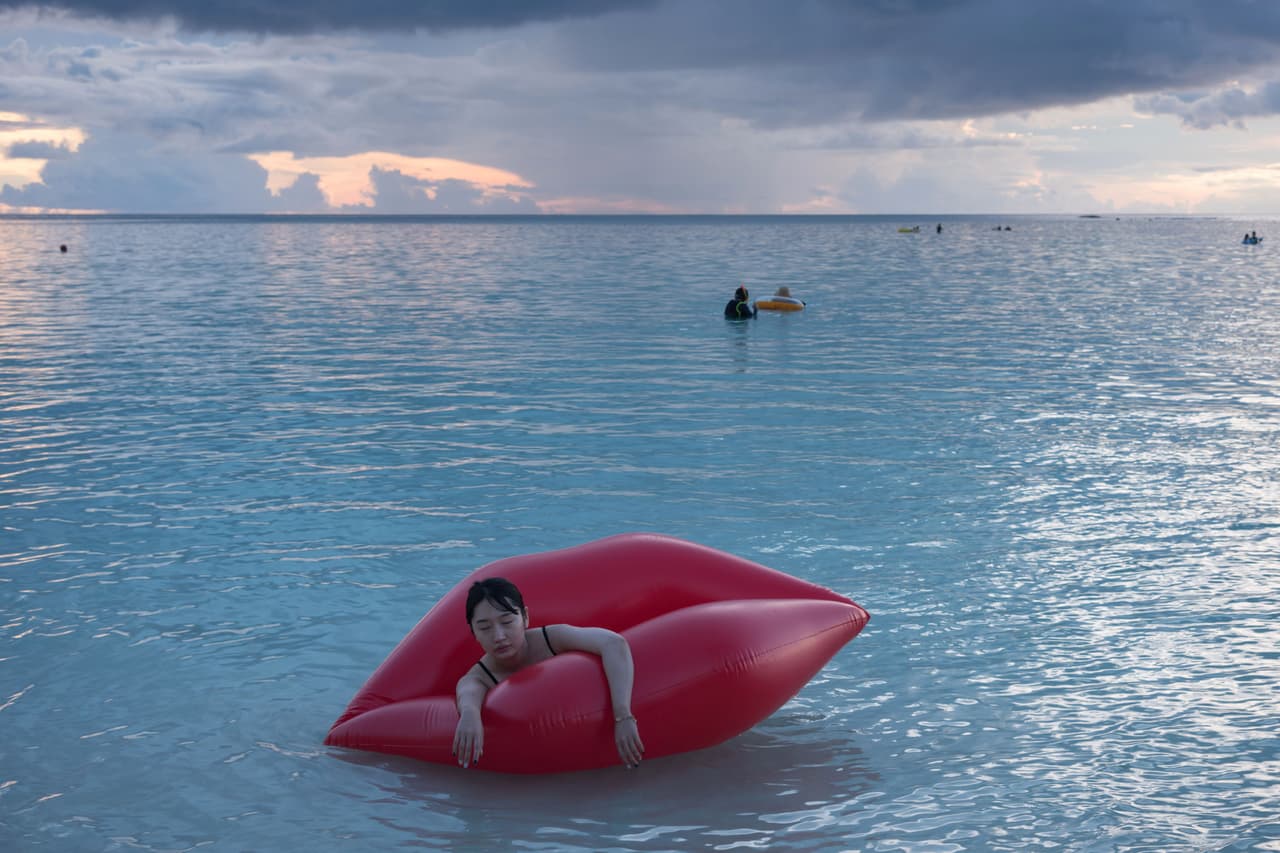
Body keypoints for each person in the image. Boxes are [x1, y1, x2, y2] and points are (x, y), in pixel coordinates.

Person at [453, 577, 644, 769]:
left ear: (525, 618)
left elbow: (613, 643)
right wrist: (470, 714)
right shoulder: (480, 676)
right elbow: (467, 693)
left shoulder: (553, 639)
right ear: (473, 632)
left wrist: (623, 716)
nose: (499, 636)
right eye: (485, 628)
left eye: (507, 621)